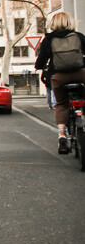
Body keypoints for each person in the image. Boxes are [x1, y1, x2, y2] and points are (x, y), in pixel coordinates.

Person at [34, 12, 85, 154]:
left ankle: (62, 134)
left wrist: (40, 67)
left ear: (53, 24)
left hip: (59, 77)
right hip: (81, 75)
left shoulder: (48, 40)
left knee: (61, 105)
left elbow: (40, 62)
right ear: (71, 22)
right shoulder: (79, 37)